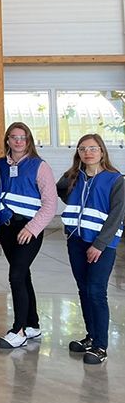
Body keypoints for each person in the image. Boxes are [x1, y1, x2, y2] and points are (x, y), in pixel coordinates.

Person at [58, 134, 124, 365]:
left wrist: (99, 244)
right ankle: (91, 336)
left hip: (101, 245)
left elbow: (117, 216)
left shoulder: (115, 180)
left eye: (93, 148)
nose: (88, 152)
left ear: (102, 152)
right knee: (84, 289)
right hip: (76, 241)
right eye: (83, 149)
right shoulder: (74, 178)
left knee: (96, 291)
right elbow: (60, 190)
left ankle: (101, 346)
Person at [0, 122, 57, 350]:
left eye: (23, 137)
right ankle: (33, 324)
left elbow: (50, 204)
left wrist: (32, 228)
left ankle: (18, 329)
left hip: (29, 229)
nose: (18, 141)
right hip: (7, 229)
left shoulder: (40, 166)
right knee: (23, 276)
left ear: (28, 140)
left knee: (16, 275)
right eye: (13, 137)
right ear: (7, 141)